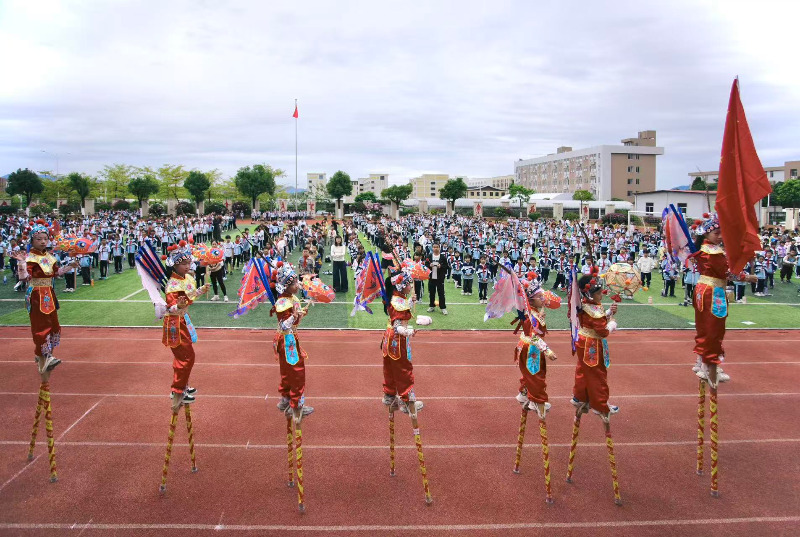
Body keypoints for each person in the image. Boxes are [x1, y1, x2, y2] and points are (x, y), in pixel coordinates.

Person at [689, 213, 756, 384]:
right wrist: (746, 277)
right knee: (714, 329)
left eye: (721, 233)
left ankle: (701, 362)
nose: (719, 236)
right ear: (706, 233)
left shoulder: (703, 248)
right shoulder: (713, 251)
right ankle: (710, 365)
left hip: (702, 289)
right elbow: (726, 273)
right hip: (713, 292)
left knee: (704, 327)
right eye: (716, 233)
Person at [13, 220, 79, 375]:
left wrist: (70, 266)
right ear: (32, 241)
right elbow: (23, 278)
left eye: (45, 238)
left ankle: (46, 354)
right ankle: (44, 355)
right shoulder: (30, 258)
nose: (43, 241)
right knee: (41, 326)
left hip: (49, 293)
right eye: (39, 239)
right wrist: (22, 263)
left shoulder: (49, 256)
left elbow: (56, 273)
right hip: (37, 294)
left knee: (54, 325)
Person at [162, 241, 210, 410]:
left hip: (182, 319)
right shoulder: (173, 285)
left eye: (189, 262)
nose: (188, 266)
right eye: (184, 264)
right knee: (186, 357)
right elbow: (171, 307)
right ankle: (178, 390)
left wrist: (199, 291)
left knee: (184, 356)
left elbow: (187, 298)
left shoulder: (185, 279)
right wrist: (179, 307)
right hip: (175, 322)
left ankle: (183, 385)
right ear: (175, 265)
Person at [571, 271, 619, 417]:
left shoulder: (585, 305)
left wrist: (608, 312)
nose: (601, 295)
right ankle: (600, 404)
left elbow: (594, 319)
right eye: (598, 293)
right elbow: (602, 331)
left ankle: (579, 397)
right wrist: (612, 324)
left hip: (583, 341)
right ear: (590, 294)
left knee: (583, 371)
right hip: (592, 344)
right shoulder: (594, 309)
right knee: (598, 374)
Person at [272, 262, 314, 418]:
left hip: (287, 338)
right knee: (296, 371)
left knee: (287, 370)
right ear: (286, 286)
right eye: (294, 283)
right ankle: (296, 404)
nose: (298, 285)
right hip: (287, 339)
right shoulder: (283, 302)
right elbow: (284, 324)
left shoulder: (290, 298)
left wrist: (301, 314)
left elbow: (293, 320)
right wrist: (294, 317)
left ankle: (286, 398)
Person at [381, 268, 423, 413]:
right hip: (398, 340)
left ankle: (389, 395)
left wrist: (411, 302)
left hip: (389, 338)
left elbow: (399, 311)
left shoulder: (395, 298)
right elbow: (398, 325)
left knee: (390, 369)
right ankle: (407, 402)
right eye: (408, 284)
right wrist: (409, 331)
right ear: (400, 286)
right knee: (404, 369)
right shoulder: (397, 302)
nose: (410, 286)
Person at [514, 276, 557, 418]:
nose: (543, 299)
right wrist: (547, 349)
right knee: (536, 375)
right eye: (540, 297)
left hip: (529, 346)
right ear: (531, 300)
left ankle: (524, 394)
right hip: (531, 347)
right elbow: (533, 335)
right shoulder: (530, 316)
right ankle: (536, 401)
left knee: (530, 374)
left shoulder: (535, 312)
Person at [425, 242, 448, 315]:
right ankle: (432, 306)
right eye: (434, 247)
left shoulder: (443, 257)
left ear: (439, 248)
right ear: (432, 248)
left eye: (437, 247)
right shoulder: (429, 256)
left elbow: (446, 267)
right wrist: (429, 265)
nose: (435, 248)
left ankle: (443, 308)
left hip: (440, 278)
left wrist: (440, 266)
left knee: (441, 293)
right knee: (431, 293)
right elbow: (425, 266)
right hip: (431, 277)